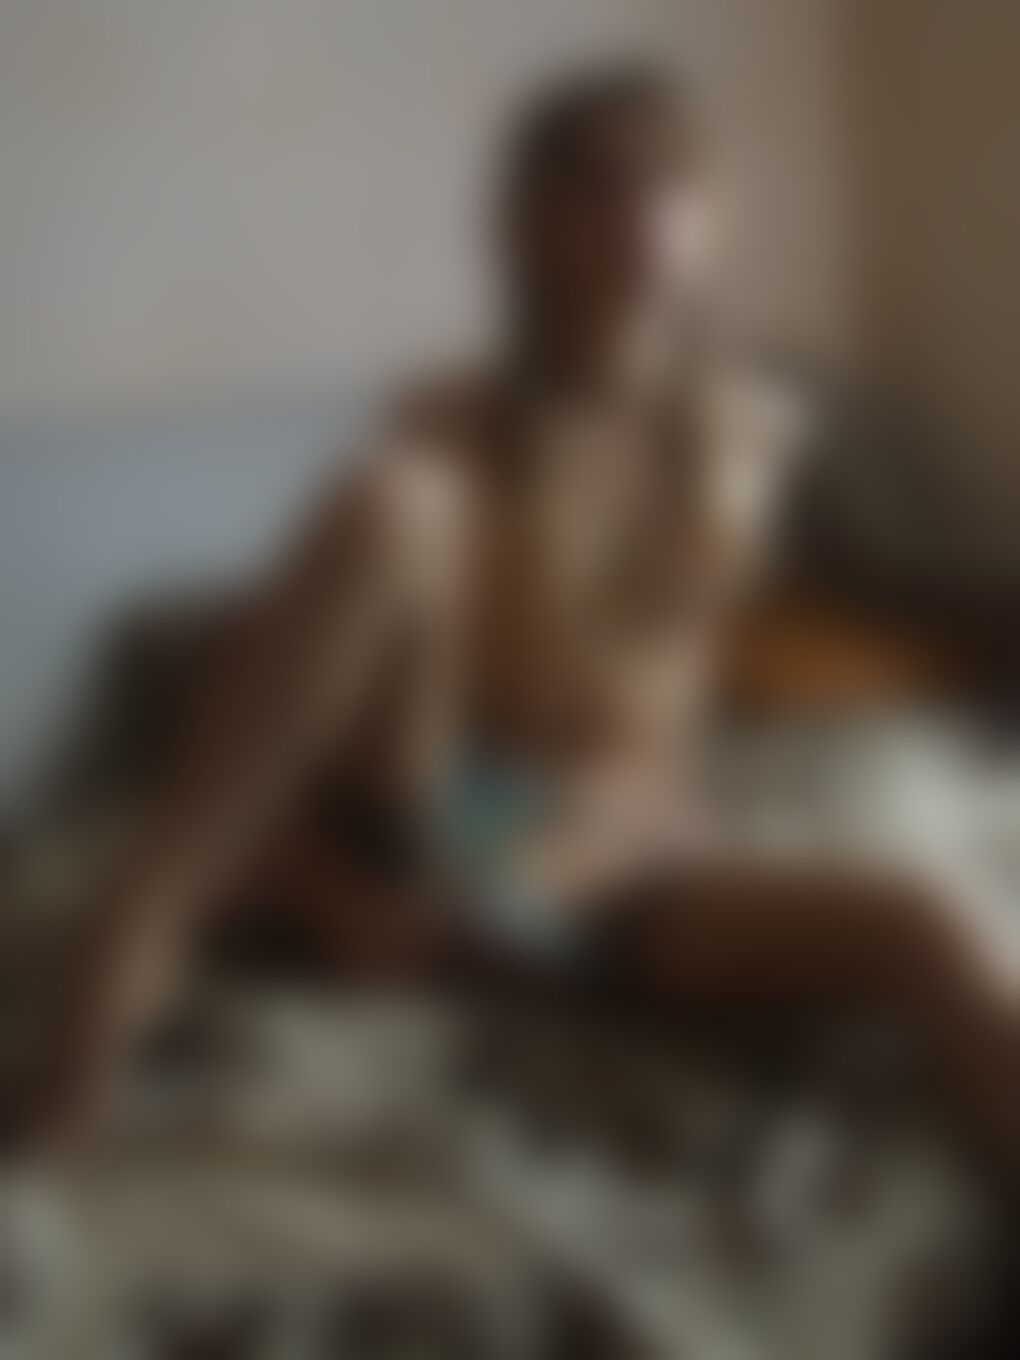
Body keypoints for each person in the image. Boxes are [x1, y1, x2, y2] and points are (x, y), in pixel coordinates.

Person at [34, 67, 1017, 1171]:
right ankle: (139, 933)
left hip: (613, 843)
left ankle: (363, 914)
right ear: (528, 225)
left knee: (926, 923)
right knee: (393, 507)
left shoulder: (758, 429)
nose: (641, 208)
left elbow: (862, 613)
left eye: (670, 179)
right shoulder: (449, 420)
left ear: (714, 217)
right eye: (598, 183)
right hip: (440, 793)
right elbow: (277, 659)